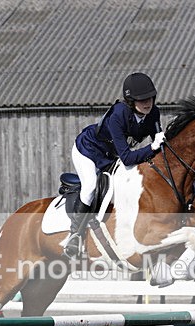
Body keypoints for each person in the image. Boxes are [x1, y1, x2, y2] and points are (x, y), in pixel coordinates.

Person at [64, 72, 166, 258]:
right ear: (130, 100)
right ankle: (75, 235)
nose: (147, 103)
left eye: (150, 97)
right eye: (141, 99)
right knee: (90, 186)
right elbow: (127, 158)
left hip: (111, 156)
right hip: (88, 150)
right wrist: (152, 147)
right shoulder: (118, 115)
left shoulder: (154, 113)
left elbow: (159, 149)